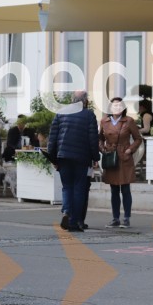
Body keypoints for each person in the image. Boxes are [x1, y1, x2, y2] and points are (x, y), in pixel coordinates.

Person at [47, 91, 100, 233]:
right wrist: (96, 158)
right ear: (85, 101)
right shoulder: (89, 115)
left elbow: (53, 138)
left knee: (67, 187)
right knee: (79, 189)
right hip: (82, 158)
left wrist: (53, 158)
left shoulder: (61, 113)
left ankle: (66, 211)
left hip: (63, 157)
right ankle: (74, 222)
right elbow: (93, 139)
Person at [99, 97, 143, 229]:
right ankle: (115, 218)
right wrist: (102, 149)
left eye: (119, 106)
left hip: (124, 157)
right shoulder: (104, 121)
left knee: (125, 188)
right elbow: (99, 138)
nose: (117, 108)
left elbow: (138, 139)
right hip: (110, 156)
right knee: (113, 189)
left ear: (123, 108)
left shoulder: (129, 121)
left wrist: (130, 150)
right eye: (114, 105)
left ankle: (126, 218)